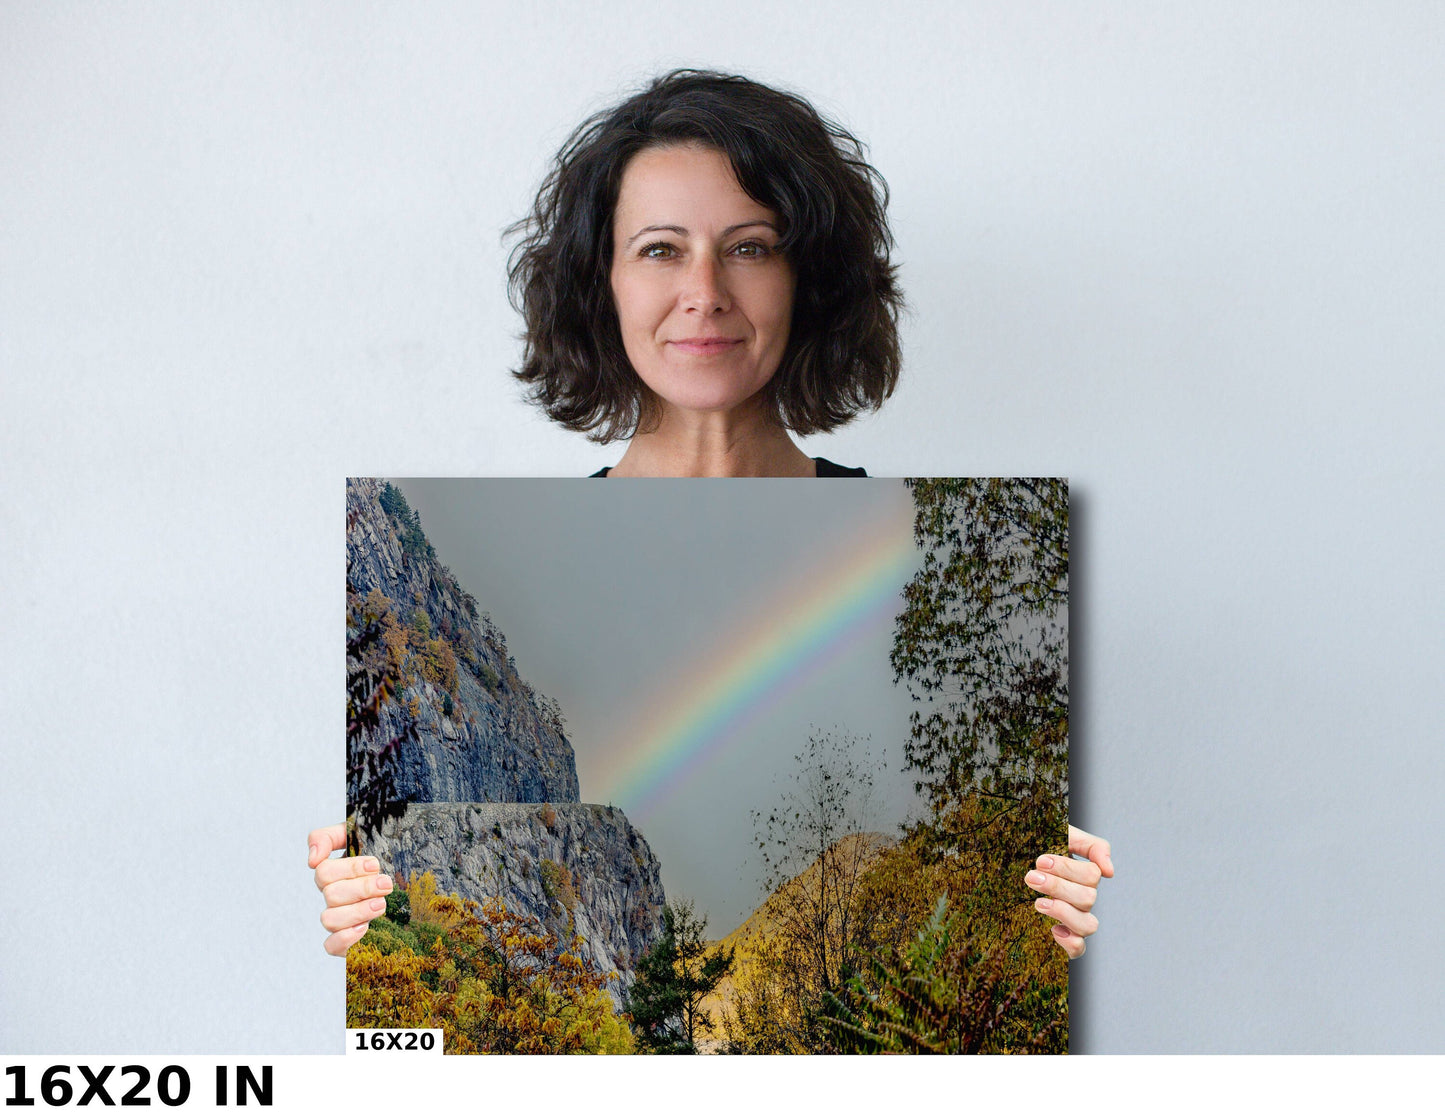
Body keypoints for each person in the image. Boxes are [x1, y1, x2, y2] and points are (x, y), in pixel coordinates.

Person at [313, 70, 1113, 962]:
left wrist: (1040, 921)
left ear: (806, 280)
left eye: (749, 246)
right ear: (601, 283)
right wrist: (376, 933)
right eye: (660, 249)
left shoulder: (925, 550)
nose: (705, 291)